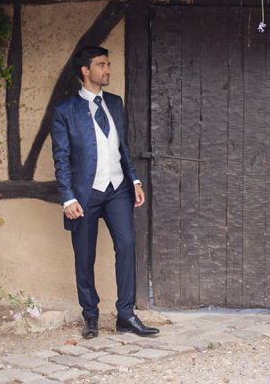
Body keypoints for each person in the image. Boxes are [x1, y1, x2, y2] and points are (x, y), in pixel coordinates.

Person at [51, 45, 158, 339]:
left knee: (126, 245)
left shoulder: (114, 102)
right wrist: (68, 197)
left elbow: (122, 146)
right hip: (85, 195)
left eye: (108, 64)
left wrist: (134, 180)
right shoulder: (64, 111)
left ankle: (126, 314)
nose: (107, 70)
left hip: (117, 190)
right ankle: (91, 317)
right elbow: (60, 158)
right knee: (84, 257)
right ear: (85, 71)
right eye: (101, 65)